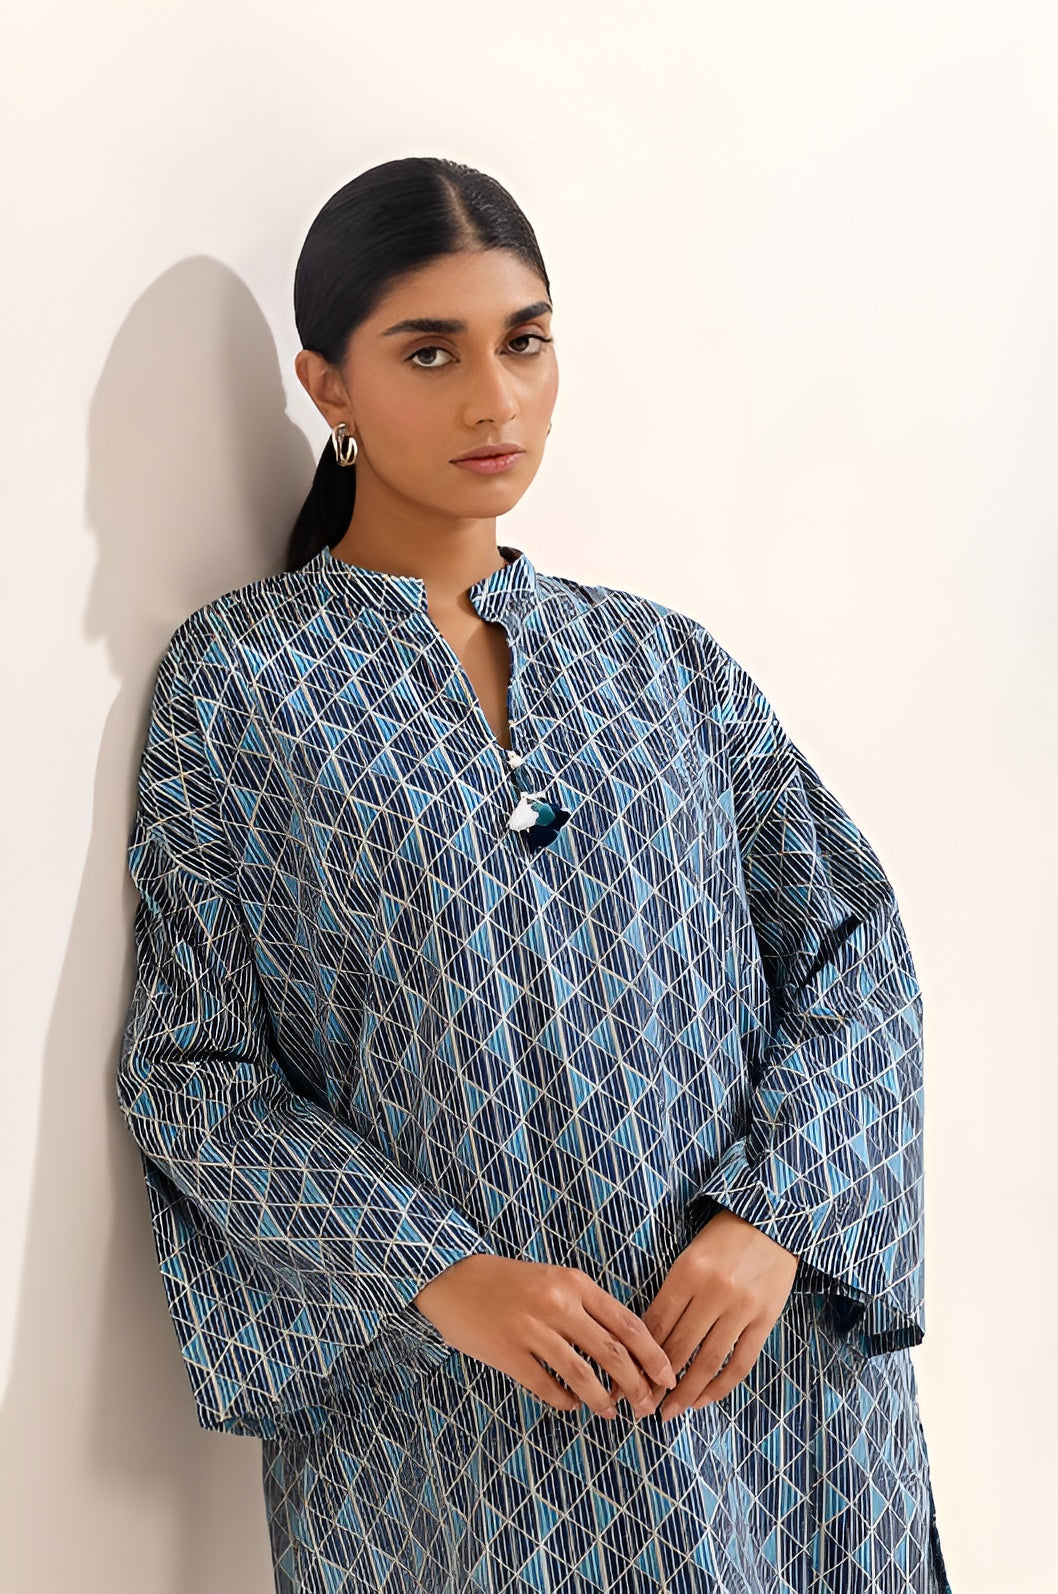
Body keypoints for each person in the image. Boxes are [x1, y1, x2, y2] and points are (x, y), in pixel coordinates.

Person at [116, 156, 952, 1593]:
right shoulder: (240, 686)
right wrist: (442, 1275)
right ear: (327, 386)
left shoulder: (663, 664)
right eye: (428, 353)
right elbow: (195, 1073)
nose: (491, 399)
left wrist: (775, 1224)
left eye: (524, 341)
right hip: (458, 1440)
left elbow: (853, 952)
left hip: (772, 1409)